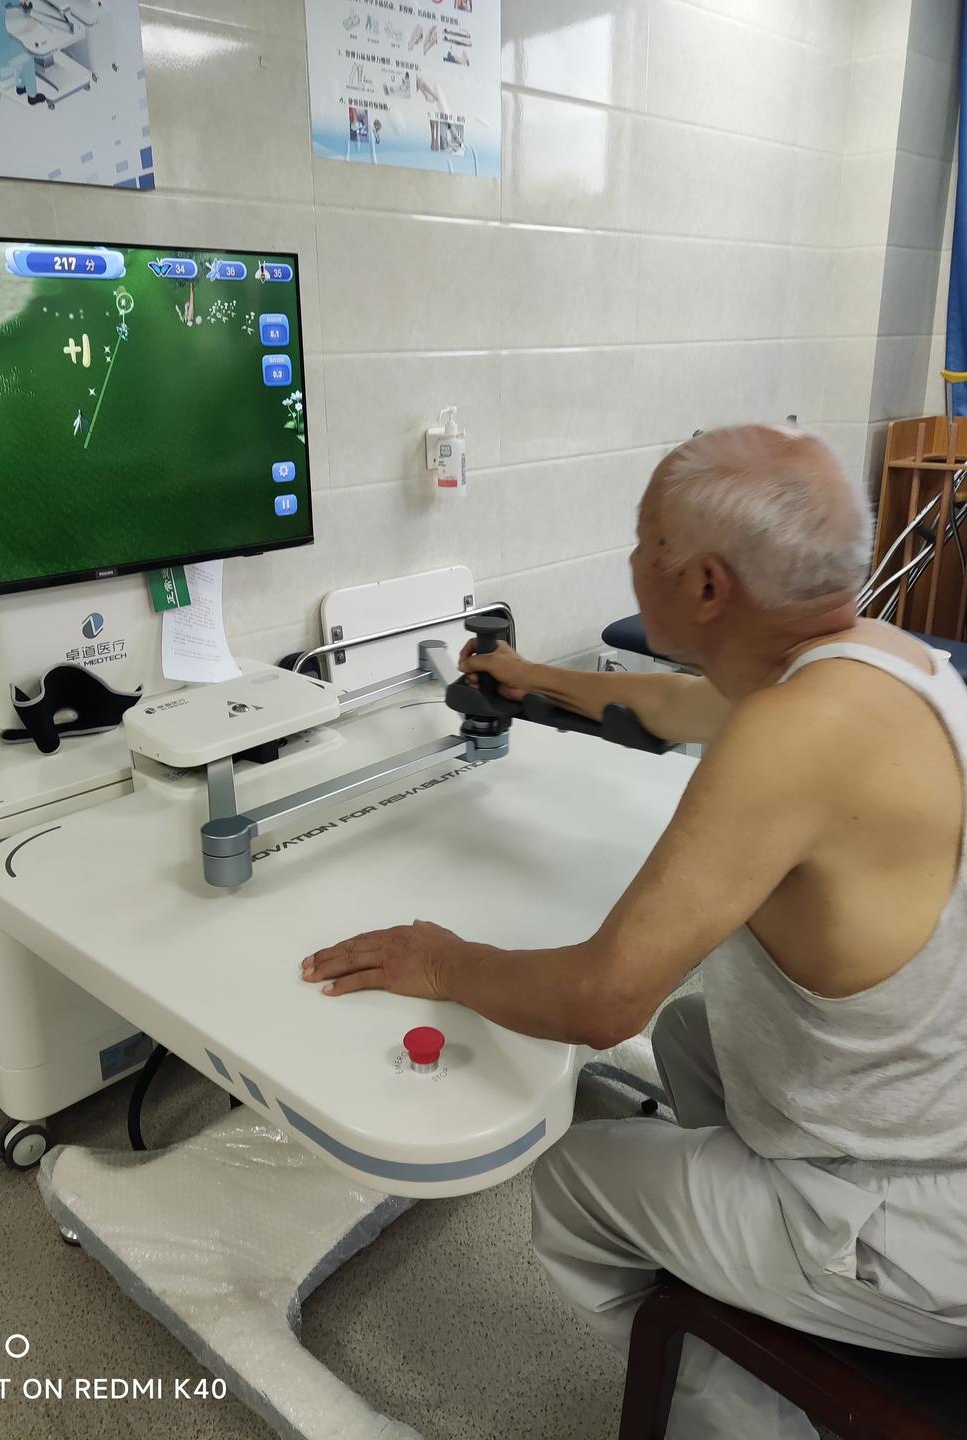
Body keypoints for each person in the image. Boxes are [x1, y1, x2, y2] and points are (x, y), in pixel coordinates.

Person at [302, 424, 967, 1437]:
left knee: (575, 1180)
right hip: (927, 1131)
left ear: (705, 585)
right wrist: (533, 676)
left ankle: (736, 1408)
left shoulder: (790, 737)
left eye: (644, 540)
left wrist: (442, 960)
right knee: (697, 1031)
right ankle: (745, 1271)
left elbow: (601, 1001)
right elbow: (674, 704)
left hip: (914, 1236)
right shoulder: (884, 661)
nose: (629, 558)